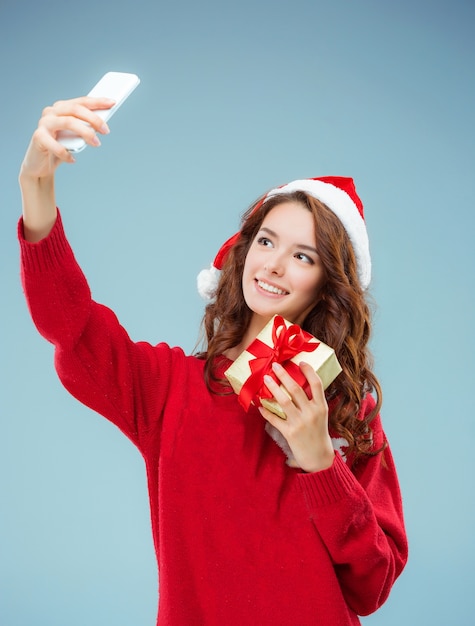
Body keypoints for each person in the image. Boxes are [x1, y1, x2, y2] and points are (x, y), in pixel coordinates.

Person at [18, 96, 408, 626]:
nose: (273, 264)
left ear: (326, 285)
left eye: (303, 256)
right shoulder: (168, 388)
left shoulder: (346, 408)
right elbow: (71, 327)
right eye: (267, 240)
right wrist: (36, 189)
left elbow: (372, 586)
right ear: (243, 251)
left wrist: (322, 462)